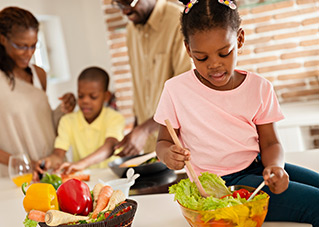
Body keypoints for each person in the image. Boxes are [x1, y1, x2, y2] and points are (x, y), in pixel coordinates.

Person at [154, 0, 319, 225]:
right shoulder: (175, 90)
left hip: (258, 168)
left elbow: (270, 143)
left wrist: (275, 167)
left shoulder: (259, 87)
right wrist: (168, 155)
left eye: (224, 53)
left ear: (239, 39)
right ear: (188, 49)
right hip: (217, 187)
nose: (214, 65)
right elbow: (163, 141)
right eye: (201, 57)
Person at [0, 6, 75, 177]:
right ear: (2, 39)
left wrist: (63, 109)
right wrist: (24, 164)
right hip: (17, 178)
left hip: (51, 172)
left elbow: (43, 124)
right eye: (21, 46)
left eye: (33, 46)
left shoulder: (38, 74)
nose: (29, 53)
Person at [111, 0, 192, 156]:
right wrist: (136, 133)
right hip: (152, 149)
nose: (124, 12)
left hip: (181, 147)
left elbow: (186, 90)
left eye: (129, 2)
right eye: (119, 5)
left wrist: (145, 129)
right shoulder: (130, 31)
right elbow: (139, 87)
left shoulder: (179, 20)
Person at [34, 67, 126, 178]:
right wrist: (48, 161)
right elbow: (58, 155)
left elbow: (110, 146)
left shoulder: (114, 117)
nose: (85, 101)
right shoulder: (68, 121)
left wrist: (81, 163)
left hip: (112, 177)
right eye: (81, 96)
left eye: (93, 97)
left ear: (106, 96)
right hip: (83, 181)